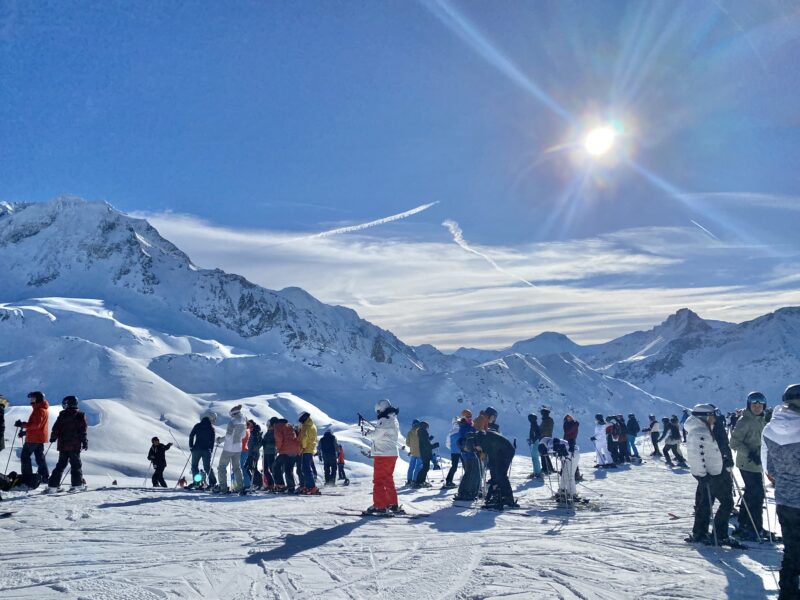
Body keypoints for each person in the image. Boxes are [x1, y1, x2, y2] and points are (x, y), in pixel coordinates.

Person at [763, 384, 800, 599]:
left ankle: (787, 591)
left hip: (785, 500)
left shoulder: (771, 429)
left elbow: (771, 469)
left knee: (792, 549)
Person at [684, 404, 735, 545]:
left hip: (713, 472)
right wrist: (703, 476)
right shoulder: (699, 432)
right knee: (727, 503)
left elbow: (710, 451)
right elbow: (696, 456)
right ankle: (719, 535)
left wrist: (724, 458)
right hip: (711, 475)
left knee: (706, 503)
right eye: (712, 415)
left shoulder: (702, 429)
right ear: (705, 417)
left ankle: (700, 533)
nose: (715, 419)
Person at [730, 391, 767, 541]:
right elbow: (734, 442)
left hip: (758, 463)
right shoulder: (744, 421)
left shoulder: (762, 419)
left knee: (752, 494)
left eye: (760, 404)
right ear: (749, 405)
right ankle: (754, 527)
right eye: (754, 404)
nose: (757, 407)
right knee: (757, 495)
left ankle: (745, 524)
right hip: (747, 463)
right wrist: (751, 454)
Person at [363, 399, 401, 515]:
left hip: (382, 454)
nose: (378, 413)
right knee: (388, 479)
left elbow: (376, 435)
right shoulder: (393, 419)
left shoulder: (384, 420)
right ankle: (392, 504)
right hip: (391, 454)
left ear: (382, 409)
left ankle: (380, 506)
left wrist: (367, 433)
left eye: (378, 411)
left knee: (379, 480)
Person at [45, 396, 88, 492]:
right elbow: (82, 430)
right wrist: (84, 441)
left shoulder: (62, 414)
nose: (63, 405)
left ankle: (53, 486)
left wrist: (53, 437)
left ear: (69, 404)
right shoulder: (80, 415)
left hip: (63, 445)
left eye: (65, 403)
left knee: (60, 465)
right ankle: (77, 485)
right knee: (76, 465)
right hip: (74, 445)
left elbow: (56, 428)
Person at [475, 429, 517, 510]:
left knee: (501, 476)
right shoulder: (485, 438)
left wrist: (494, 481)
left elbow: (494, 462)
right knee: (498, 475)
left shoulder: (486, 442)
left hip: (506, 452)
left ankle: (507, 498)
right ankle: (504, 496)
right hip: (505, 451)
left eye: (479, 450)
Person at [16, 391, 50, 484]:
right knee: (40, 457)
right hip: (38, 438)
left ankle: (27, 478)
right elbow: (37, 427)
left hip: (33, 439)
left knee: (25, 456)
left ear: (38, 398)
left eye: (33, 398)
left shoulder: (39, 410)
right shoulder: (42, 409)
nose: (31, 400)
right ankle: (44, 477)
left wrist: (22, 424)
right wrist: (25, 433)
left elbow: (36, 425)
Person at [215, 405, 246, 494]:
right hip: (238, 448)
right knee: (237, 468)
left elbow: (228, 436)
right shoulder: (244, 421)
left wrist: (220, 440)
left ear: (233, 413)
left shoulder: (232, 421)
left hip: (228, 448)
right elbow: (243, 436)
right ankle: (240, 487)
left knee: (222, 467)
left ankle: (223, 488)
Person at [539, 436, 579, 504]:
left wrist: (554, 453)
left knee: (570, 475)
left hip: (573, 456)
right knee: (564, 474)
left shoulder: (551, 443)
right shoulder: (548, 443)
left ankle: (572, 494)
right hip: (567, 457)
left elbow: (557, 449)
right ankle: (562, 490)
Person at [188, 411, 217, 489]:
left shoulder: (197, 426)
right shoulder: (211, 428)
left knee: (194, 466)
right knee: (207, 467)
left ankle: (197, 482)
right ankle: (213, 482)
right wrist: (211, 449)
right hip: (206, 450)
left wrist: (191, 446)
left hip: (196, 449)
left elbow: (191, 435)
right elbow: (212, 440)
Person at [273, 418, 300, 493]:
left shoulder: (278, 426)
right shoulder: (289, 426)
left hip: (285, 451)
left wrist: (278, 449)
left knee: (275, 466)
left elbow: (279, 439)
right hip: (295, 450)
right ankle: (291, 487)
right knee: (288, 469)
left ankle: (280, 485)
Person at [445, 411, 471, 488]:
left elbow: (447, 444)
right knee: (466, 465)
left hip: (454, 452)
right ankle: (468, 480)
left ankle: (448, 481)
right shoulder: (461, 429)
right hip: (463, 450)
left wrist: (453, 448)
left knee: (454, 467)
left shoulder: (450, 432)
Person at [298, 412, 319, 495]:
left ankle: (312, 487)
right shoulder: (312, 425)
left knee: (306, 469)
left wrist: (302, 447)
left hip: (306, 449)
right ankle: (308, 486)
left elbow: (304, 439)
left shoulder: (306, 427)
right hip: (310, 449)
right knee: (306, 468)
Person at [414, 421, 439, 488]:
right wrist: (434, 446)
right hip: (425, 452)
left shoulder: (421, 432)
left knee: (425, 467)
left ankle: (420, 481)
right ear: (424, 426)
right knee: (425, 468)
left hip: (424, 452)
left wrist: (429, 439)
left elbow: (425, 441)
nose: (427, 428)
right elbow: (426, 444)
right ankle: (419, 482)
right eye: (427, 426)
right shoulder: (423, 432)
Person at [244, 420, 263, 490]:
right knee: (249, 468)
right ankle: (256, 483)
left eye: (250, 425)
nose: (249, 426)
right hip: (249, 453)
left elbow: (260, 443)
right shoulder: (249, 432)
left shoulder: (255, 432)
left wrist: (255, 449)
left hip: (253, 454)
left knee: (250, 468)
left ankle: (258, 483)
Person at [261, 417, 278, 489]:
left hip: (271, 452)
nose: (268, 427)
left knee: (272, 468)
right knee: (265, 469)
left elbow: (275, 443)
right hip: (266, 452)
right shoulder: (268, 432)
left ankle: (277, 483)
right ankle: (270, 484)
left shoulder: (275, 432)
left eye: (269, 425)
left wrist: (267, 443)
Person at [405, 420, 421, 486]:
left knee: (411, 467)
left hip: (413, 452)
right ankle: (415, 480)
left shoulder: (409, 433)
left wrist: (412, 447)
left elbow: (407, 443)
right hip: (420, 452)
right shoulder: (420, 432)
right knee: (418, 467)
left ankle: (409, 480)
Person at [539, 406, 555, 474]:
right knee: (543, 454)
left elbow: (547, 430)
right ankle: (546, 467)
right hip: (543, 439)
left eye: (543, 413)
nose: (542, 414)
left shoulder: (548, 420)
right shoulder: (545, 420)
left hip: (546, 439)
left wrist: (540, 434)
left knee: (544, 453)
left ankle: (548, 468)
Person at [527, 413, 542, 478]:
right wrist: (531, 439)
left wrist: (532, 440)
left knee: (535, 457)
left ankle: (538, 472)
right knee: (534, 457)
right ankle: (536, 472)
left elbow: (538, 435)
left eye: (530, 418)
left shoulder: (534, 425)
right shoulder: (533, 425)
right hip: (535, 442)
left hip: (536, 442)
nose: (529, 419)